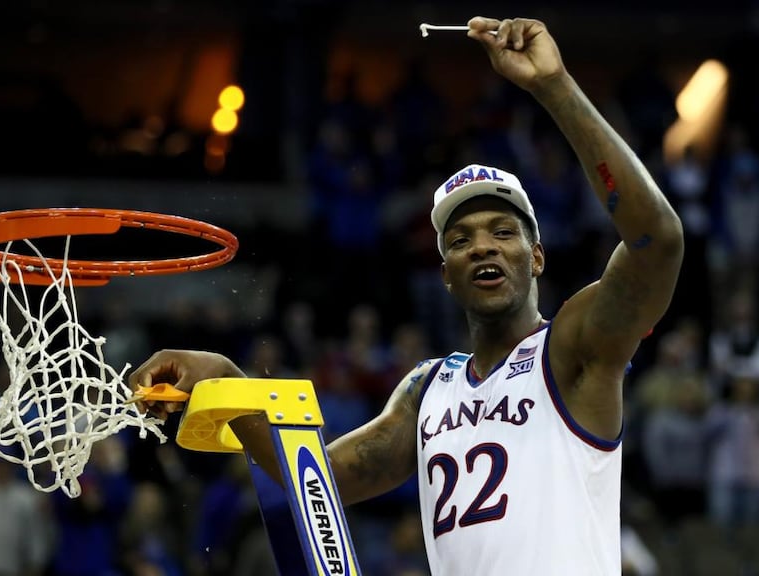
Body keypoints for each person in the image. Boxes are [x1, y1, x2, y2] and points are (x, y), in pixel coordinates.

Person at [131, 16, 683, 575]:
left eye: (502, 232)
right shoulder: (427, 390)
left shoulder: (572, 349)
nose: (482, 248)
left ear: (536, 257)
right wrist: (226, 377)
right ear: (446, 274)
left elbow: (657, 241)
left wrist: (554, 86)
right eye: (462, 240)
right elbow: (322, 482)